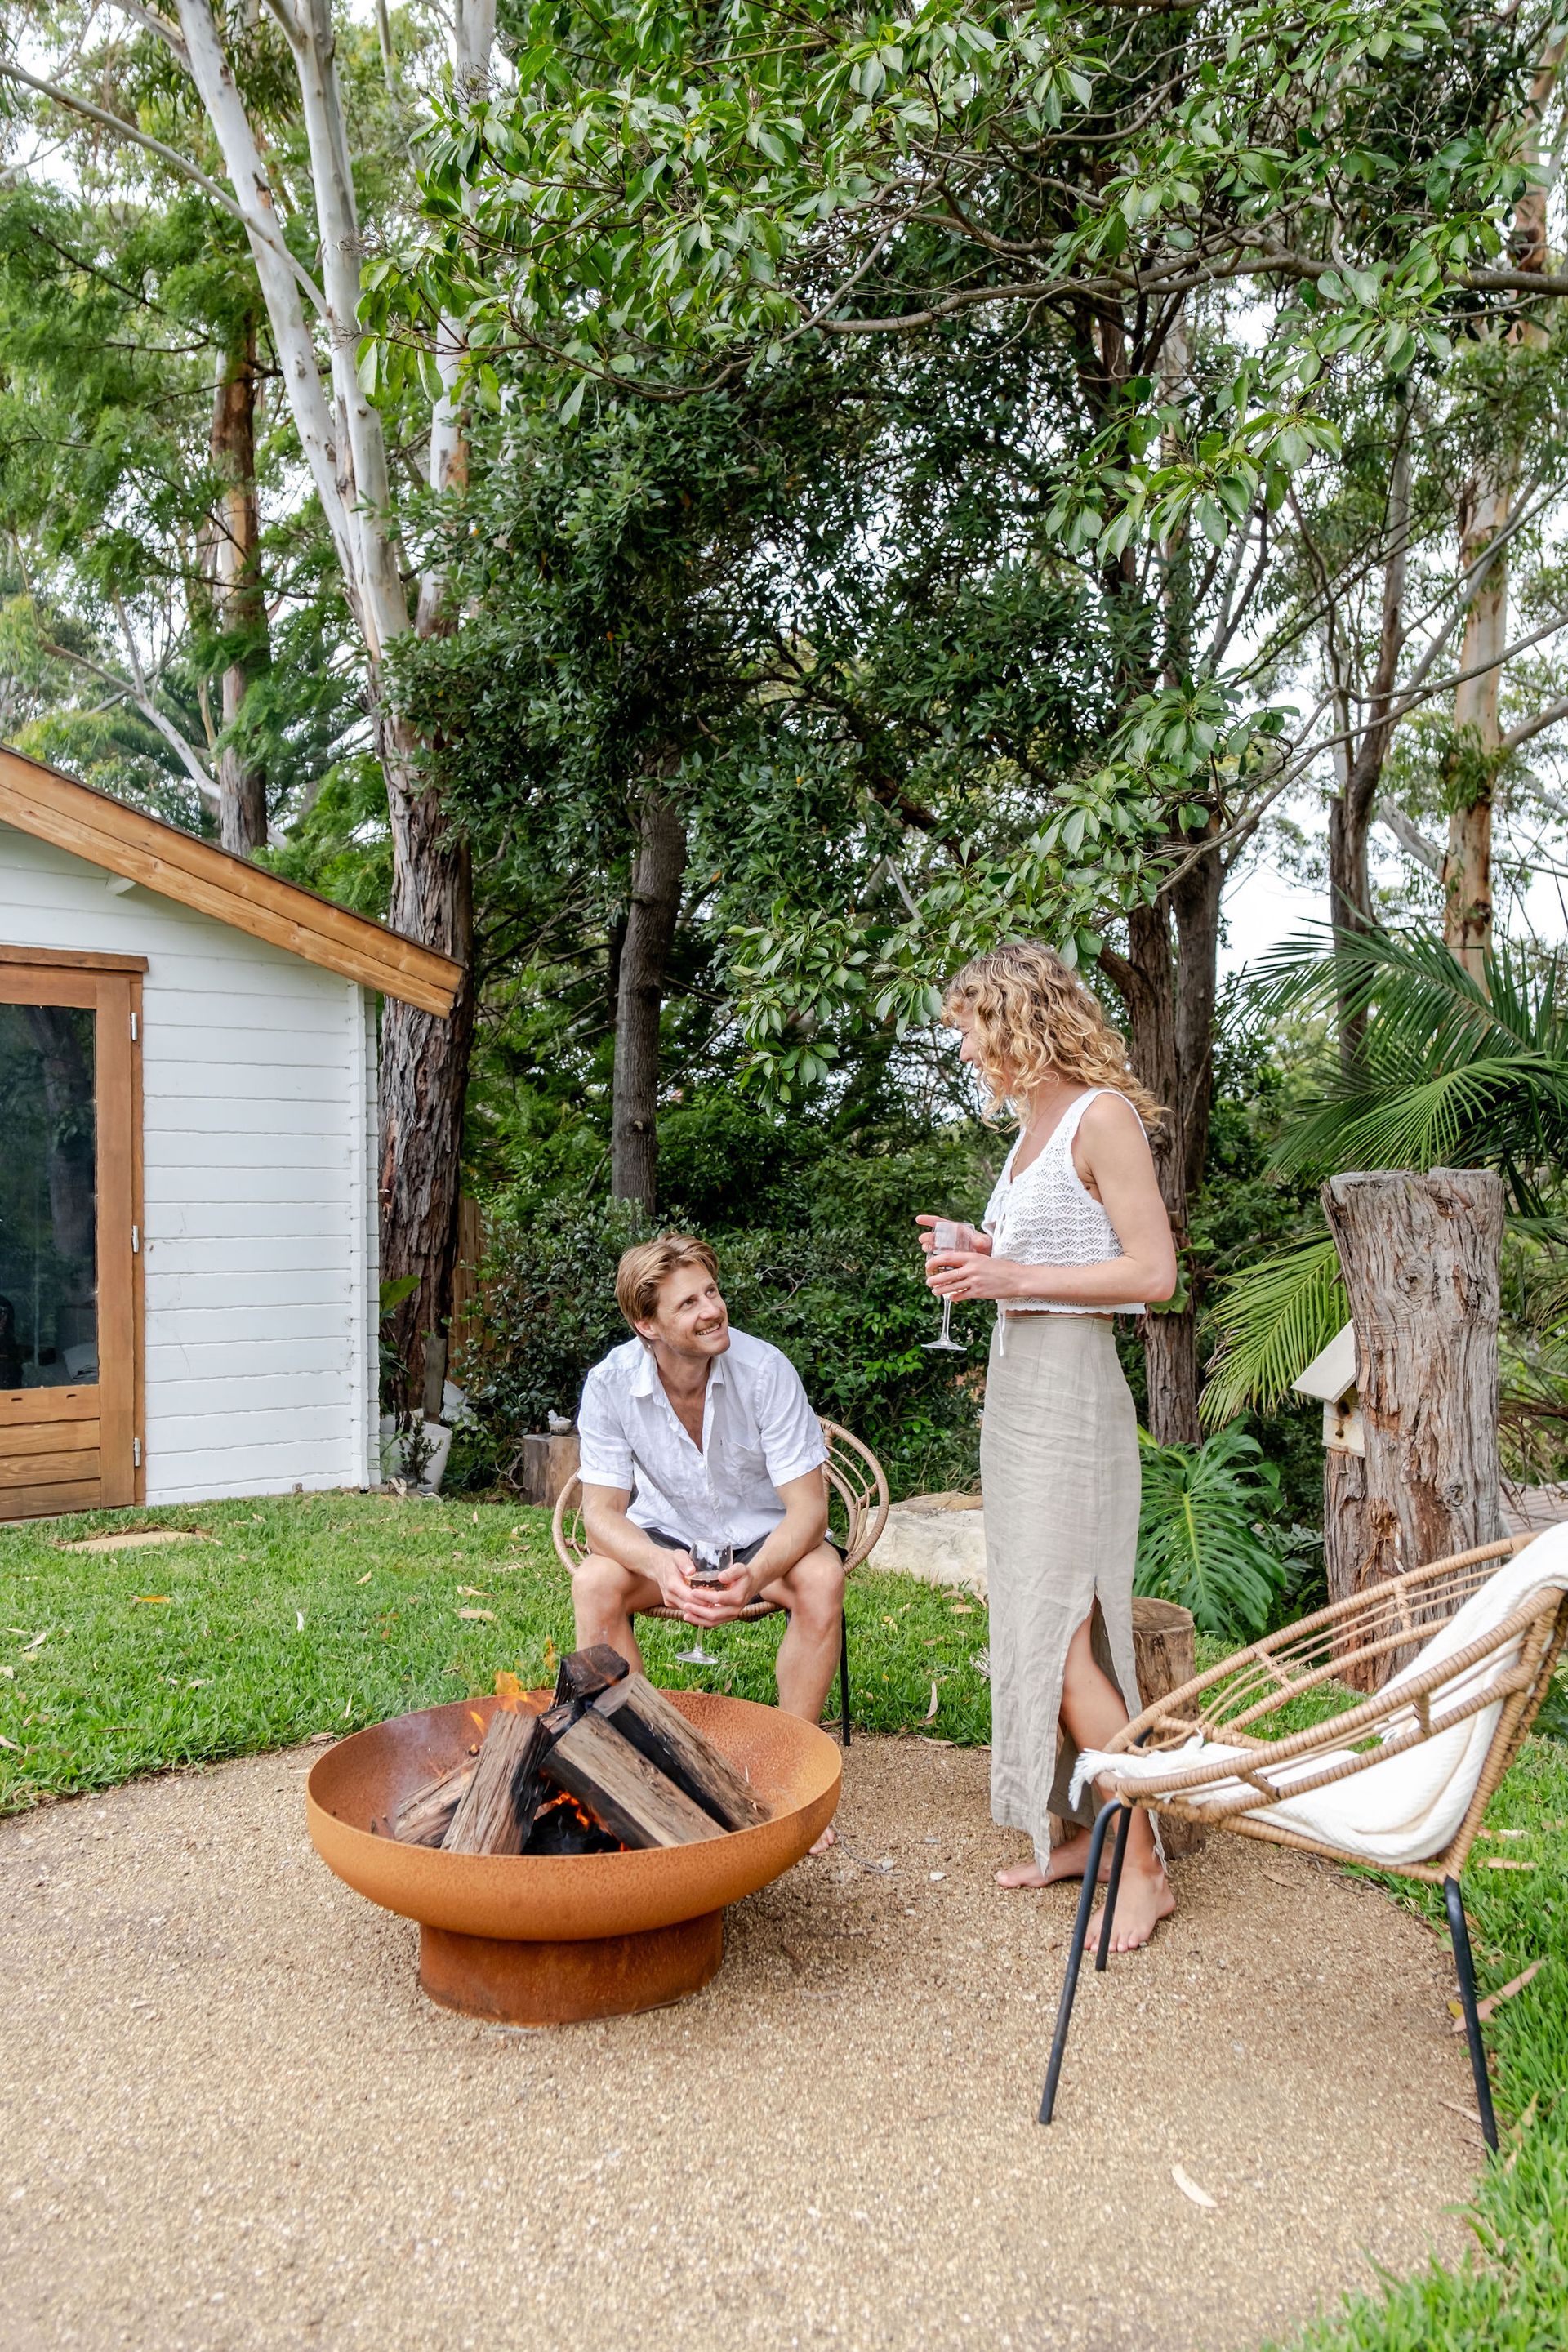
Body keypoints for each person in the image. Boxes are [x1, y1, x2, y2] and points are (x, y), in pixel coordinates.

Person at [918, 941, 1180, 1953]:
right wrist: (985, 1254)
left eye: (972, 1031)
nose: (967, 1053)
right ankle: (1082, 1835)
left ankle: (1143, 1868)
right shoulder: (1032, 1127)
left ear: (1019, 1020)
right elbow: (1055, 1254)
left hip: (1073, 1401)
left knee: (1067, 1639)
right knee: (1035, 1629)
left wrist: (1012, 1275)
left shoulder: (1102, 1116)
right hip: (1020, 1398)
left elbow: (1151, 1274)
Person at [570, 1234, 847, 1731]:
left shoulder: (766, 1370)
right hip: (667, 1537)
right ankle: (636, 1751)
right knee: (594, 1582)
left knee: (822, 1579)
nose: (713, 1311)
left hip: (766, 1538)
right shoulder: (610, 1383)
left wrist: (754, 1577)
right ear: (647, 1324)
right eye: (689, 1303)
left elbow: (809, 1511)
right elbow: (599, 1517)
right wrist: (657, 1563)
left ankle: (794, 1753)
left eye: (712, 1292)